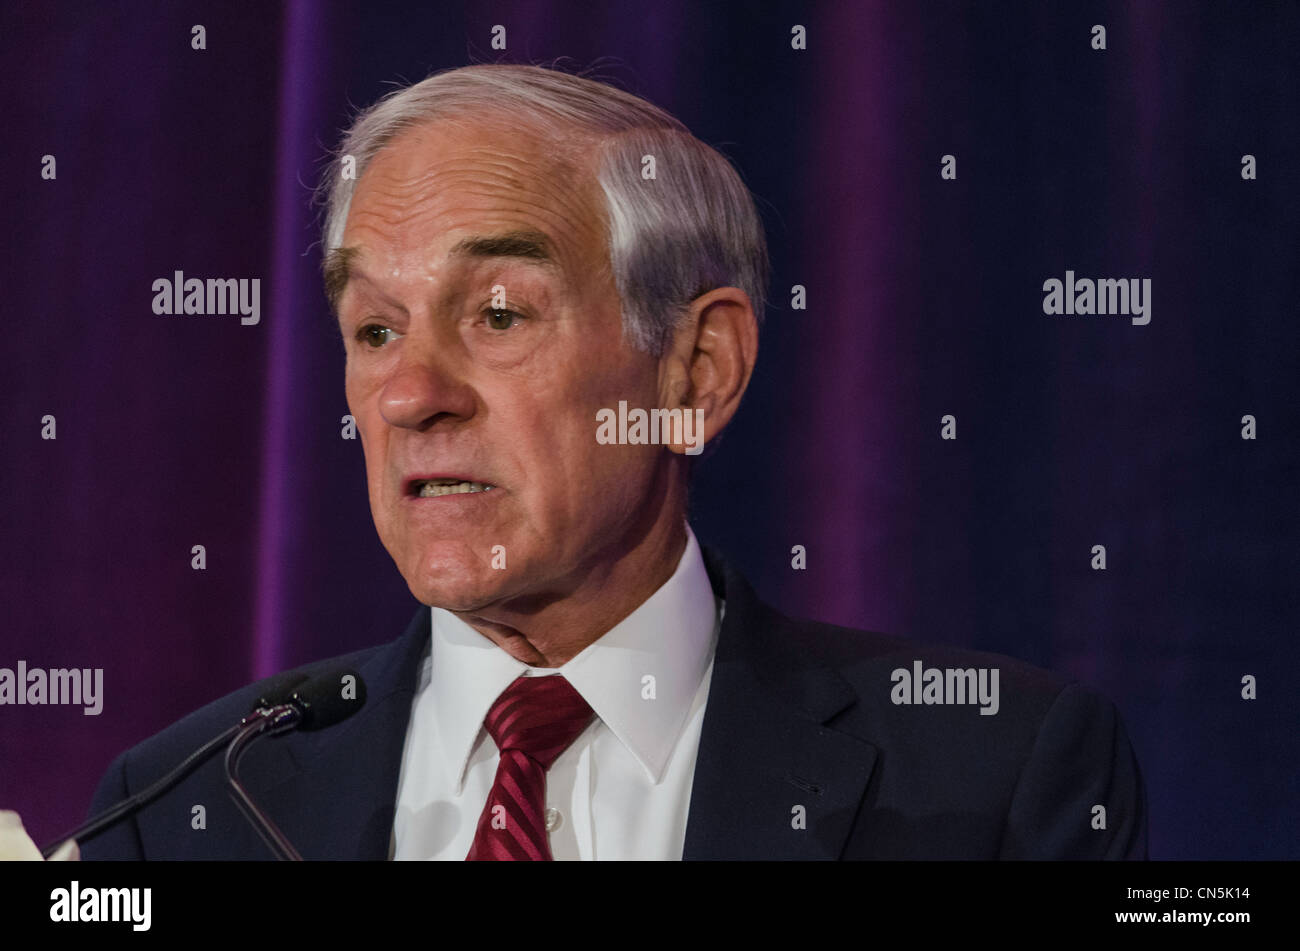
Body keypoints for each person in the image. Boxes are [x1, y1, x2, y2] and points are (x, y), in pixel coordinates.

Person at [79, 64, 1146, 860]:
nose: (408, 396)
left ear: (695, 371)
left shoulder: (1000, 779)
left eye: (497, 315)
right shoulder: (184, 807)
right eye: (373, 330)